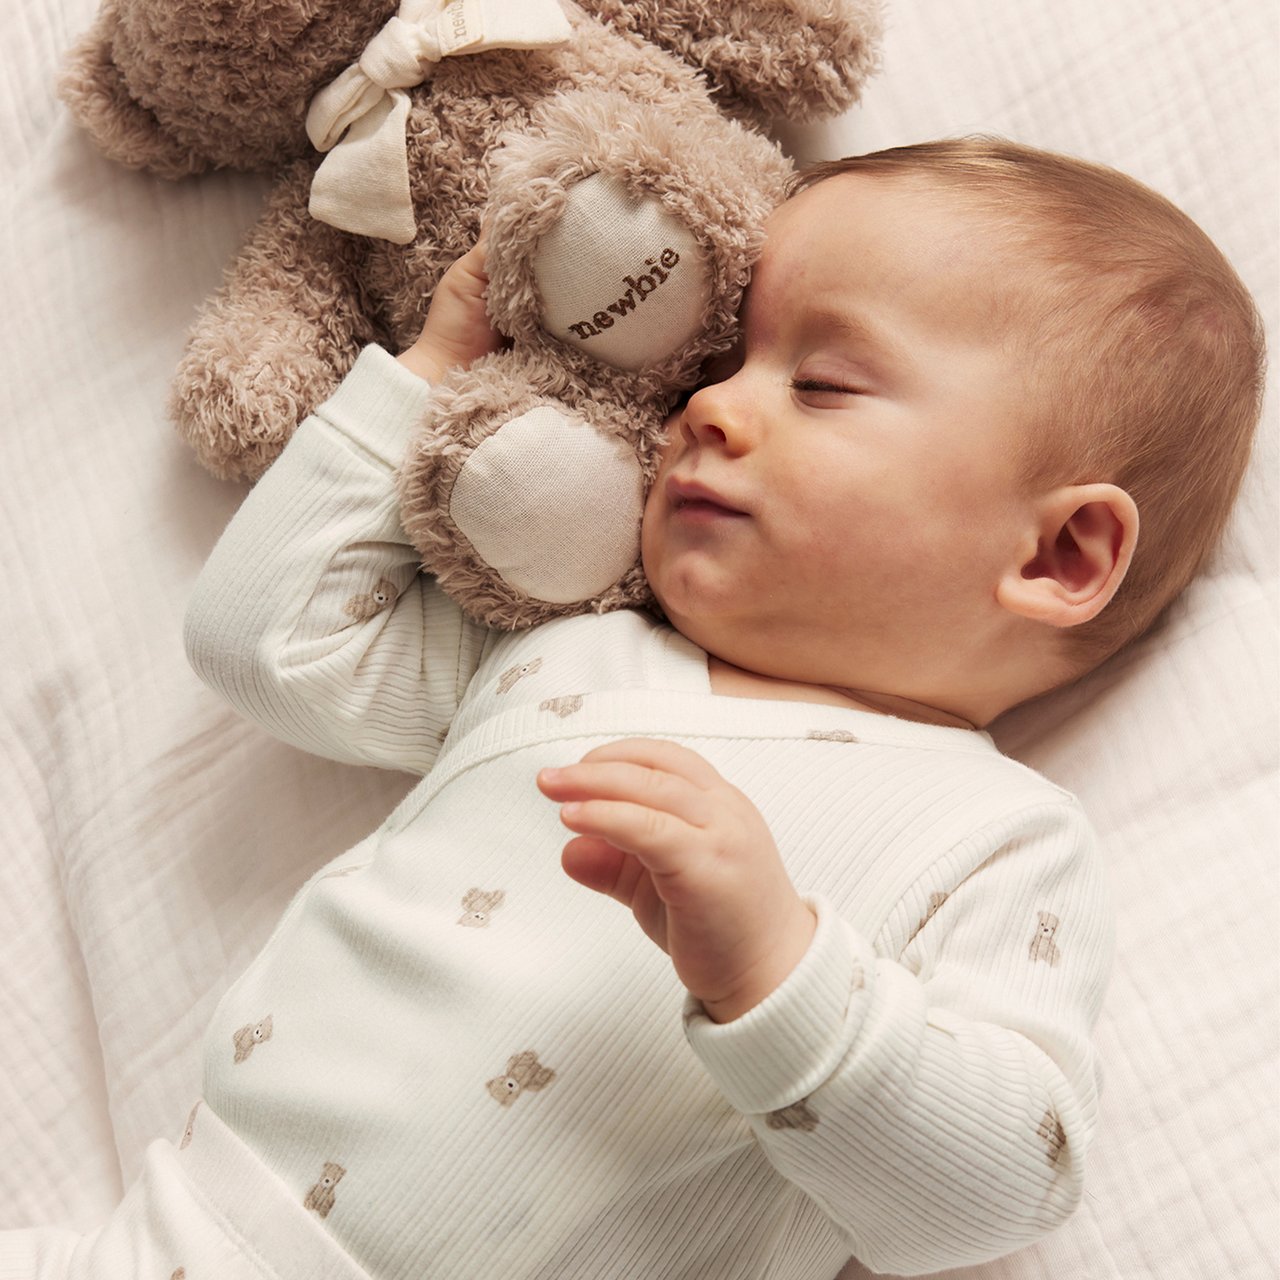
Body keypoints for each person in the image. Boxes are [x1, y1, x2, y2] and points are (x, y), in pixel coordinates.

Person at [7, 138, 1263, 1280]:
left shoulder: (996, 836)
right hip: (182, 1230)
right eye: (714, 368)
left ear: (1057, 555)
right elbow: (268, 642)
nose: (706, 408)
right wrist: (431, 374)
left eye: (819, 384)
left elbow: (998, 1190)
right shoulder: (575, 652)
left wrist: (780, 976)